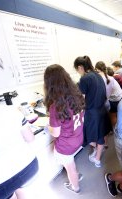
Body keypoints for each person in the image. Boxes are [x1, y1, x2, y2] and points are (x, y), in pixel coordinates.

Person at [43, 64, 85, 194]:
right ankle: (76, 175)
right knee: (71, 162)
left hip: (66, 144)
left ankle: (75, 187)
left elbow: (56, 133)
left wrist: (47, 127)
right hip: (78, 138)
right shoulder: (77, 96)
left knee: (69, 167)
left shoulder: (56, 106)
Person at [74, 56, 108, 168]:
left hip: (92, 113)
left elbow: (81, 99)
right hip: (102, 110)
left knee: (88, 136)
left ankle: (97, 159)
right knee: (100, 136)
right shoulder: (98, 75)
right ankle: (98, 153)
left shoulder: (84, 79)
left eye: (77, 69)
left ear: (80, 67)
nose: (78, 72)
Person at [95, 61, 122, 129]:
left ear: (97, 70)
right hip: (120, 96)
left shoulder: (104, 79)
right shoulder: (108, 76)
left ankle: (114, 129)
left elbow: (104, 95)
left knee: (112, 115)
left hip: (115, 99)